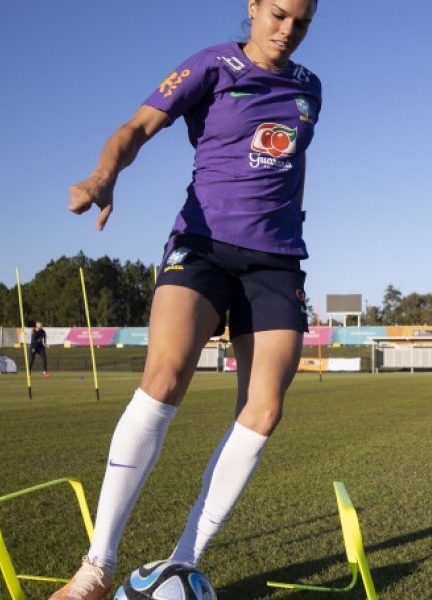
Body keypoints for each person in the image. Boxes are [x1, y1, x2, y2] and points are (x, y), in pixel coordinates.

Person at [51, 1, 321, 597]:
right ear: (252, 7)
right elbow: (137, 128)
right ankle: (96, 567)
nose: (287, 30)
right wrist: (104, 175)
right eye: (278, 13)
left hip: (276, 262)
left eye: (301, 22)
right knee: (166, 374)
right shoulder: (212, 65)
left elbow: (291, 170)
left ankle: (184, 561)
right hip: (202, 246)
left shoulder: (310, 89)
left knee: (264, 409)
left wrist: (290, 231)